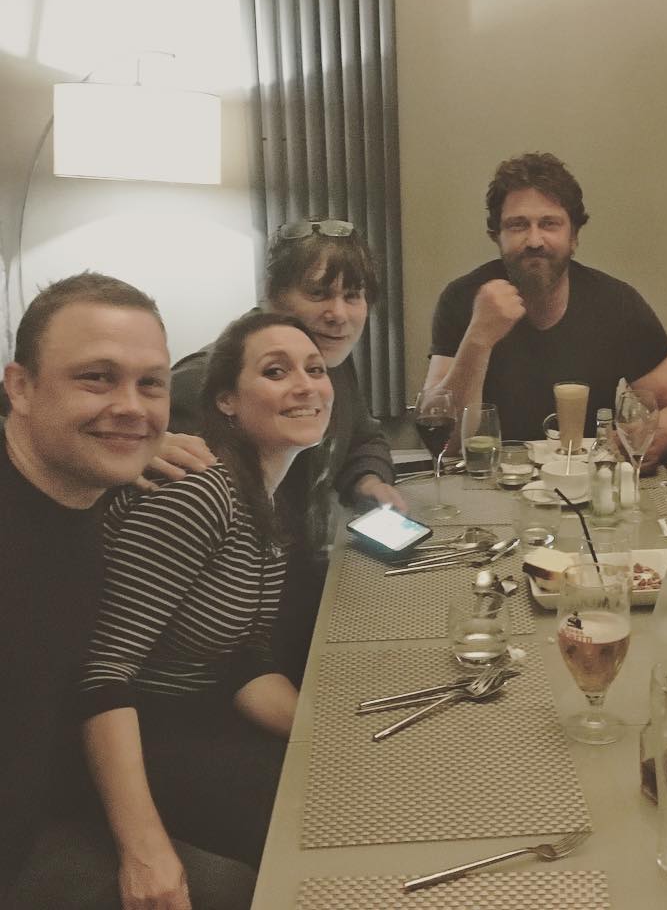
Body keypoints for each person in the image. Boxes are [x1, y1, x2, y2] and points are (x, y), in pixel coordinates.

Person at [0, 273, 254, 910]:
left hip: (48, 811)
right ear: (20, 388)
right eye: (96, 378)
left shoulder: (90, 488)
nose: (132, 405)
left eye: (150, 384)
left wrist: (129, 436)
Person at [77, 310, 332, 905]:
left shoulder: (268, 504)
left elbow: (245, 660)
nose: (306, 385)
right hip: (133, 744)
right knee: (327, 814)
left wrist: (330, 732)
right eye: (276, 371)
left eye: (315, 370)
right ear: (226, 401)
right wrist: (144, 850)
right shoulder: (200, 493)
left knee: (352, 776)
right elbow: (101, 671)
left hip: (201, 723)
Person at [169, 218, 403, 682]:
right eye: (319, 294)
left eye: (352, 295)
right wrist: (145, 444)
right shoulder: (203, 383)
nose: (339, 314)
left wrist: (368, 479)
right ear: (272, 297)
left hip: (310, 594)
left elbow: (362, 436)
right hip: (240, 643)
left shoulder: (329, 365)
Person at [425, 152, 667, 470]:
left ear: (574, 236)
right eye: (517, 225)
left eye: (549, 224)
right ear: (497, 236)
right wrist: (477, 339)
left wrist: (648, 438)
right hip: (487, 479)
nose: (534, 240)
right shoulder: (462, 299)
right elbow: (445, 443)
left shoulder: (616, 303)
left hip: (584, 480)